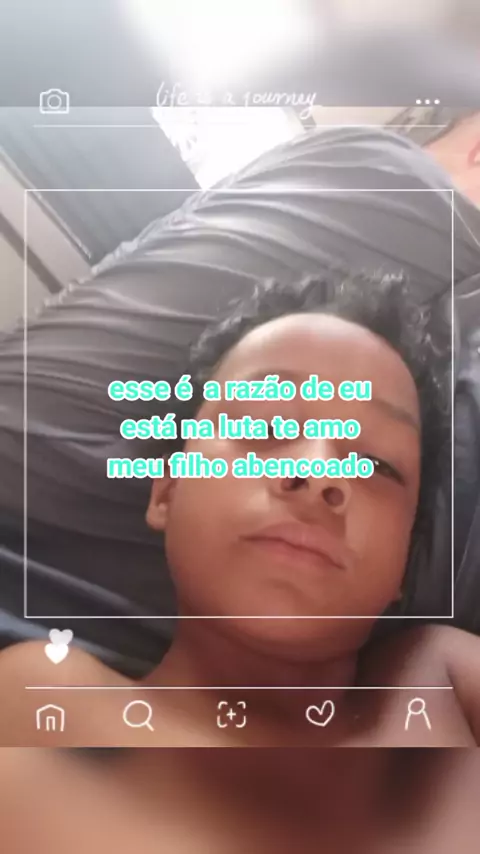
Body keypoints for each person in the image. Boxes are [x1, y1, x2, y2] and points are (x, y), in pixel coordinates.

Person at [0, 269, 478, 748]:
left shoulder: (443, 680)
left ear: (405, 561)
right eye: (263, 425)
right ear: (167, 491)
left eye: (376, 464)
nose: (319, 473)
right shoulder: (44, 700)